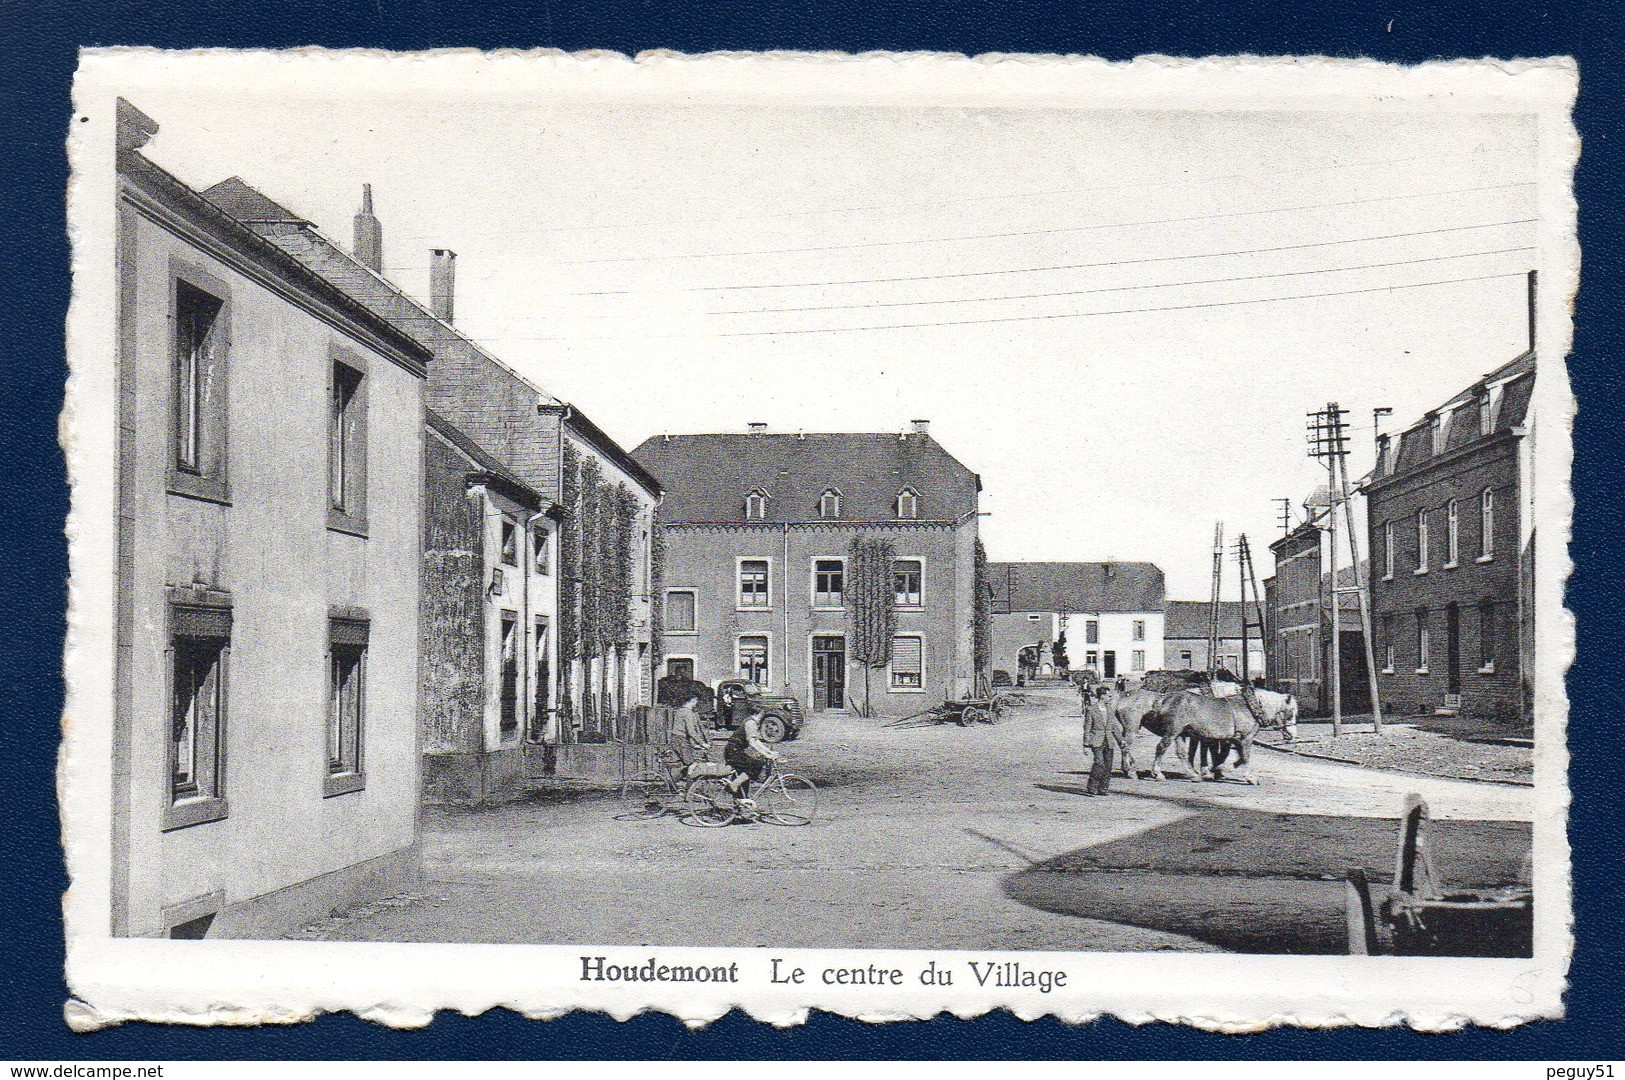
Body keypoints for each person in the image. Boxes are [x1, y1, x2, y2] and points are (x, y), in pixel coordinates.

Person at [723, 704, 780, 809]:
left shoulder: (751, 722)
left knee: (745, 778)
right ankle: (734, 784)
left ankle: (741, 805)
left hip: (734, 750)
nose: (763, 716)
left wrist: (768, 752)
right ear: (757, 713)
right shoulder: (750, 723)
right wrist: (766, 754)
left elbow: (756, 741)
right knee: (756, 764)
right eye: (762, 714)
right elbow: (752, 743)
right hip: (733, 751)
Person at [667, 689, 711, 772]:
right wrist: (702, 743)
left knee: (686, 764)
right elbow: (691, 732)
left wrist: (694, 744)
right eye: (697, 700)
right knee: (692, 764)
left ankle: (675, 782)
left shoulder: (680, 711)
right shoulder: (688, 713)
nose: (697, 702)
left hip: (676, 739)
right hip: (681, 741)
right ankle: (690, 784)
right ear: (693, 700)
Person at [1083, 689, 1114, 795]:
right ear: (1102, 696)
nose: (1110, 698)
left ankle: (1103, 788)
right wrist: (1086, 745)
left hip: (1109, 740)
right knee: (1099, 763)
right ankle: (1092, 787)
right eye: (1109, 696)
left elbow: (1114, 727)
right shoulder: (1091, 709)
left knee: (1108, 765)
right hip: (1096, 740)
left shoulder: (1110, 709)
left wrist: (1121, 741)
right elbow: (1087, 728)